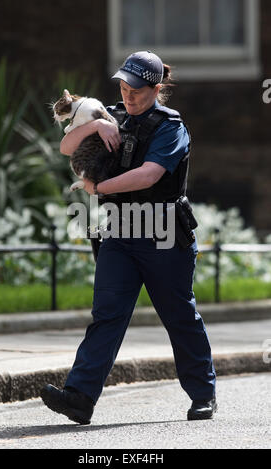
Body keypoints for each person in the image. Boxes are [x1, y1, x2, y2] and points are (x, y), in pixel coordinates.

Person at [41, 51, 217, 424]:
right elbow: (65, 148)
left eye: (136, 90)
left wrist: (98, 186)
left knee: (179, 314)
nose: (128, 96)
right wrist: (95, 127)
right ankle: (79, 397)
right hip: (119, 232)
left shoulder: (171, 127)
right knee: (107, 315)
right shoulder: (108, 114)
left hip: (164, 234)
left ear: (156, 89)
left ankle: (203, 395)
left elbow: (149, 175)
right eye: (123, 87)